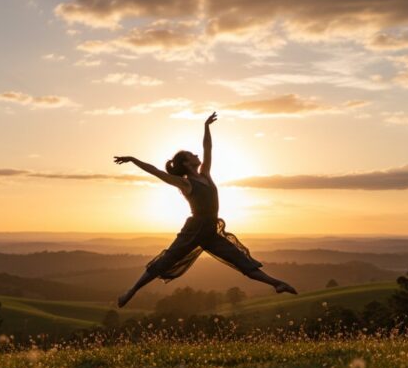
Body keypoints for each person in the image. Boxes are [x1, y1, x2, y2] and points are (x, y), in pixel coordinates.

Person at [113, 112, 298, 308]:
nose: (196, 155)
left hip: (210, 229)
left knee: (240, 260)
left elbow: (207, 148)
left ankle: (277, 284)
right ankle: (131, 291)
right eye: (191, 155)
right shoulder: (185, 183)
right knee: (167, 259)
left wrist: (206, 127)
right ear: (186, 163)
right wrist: (133, 159)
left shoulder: (206, 174)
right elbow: (156, 171)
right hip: (195, 229)